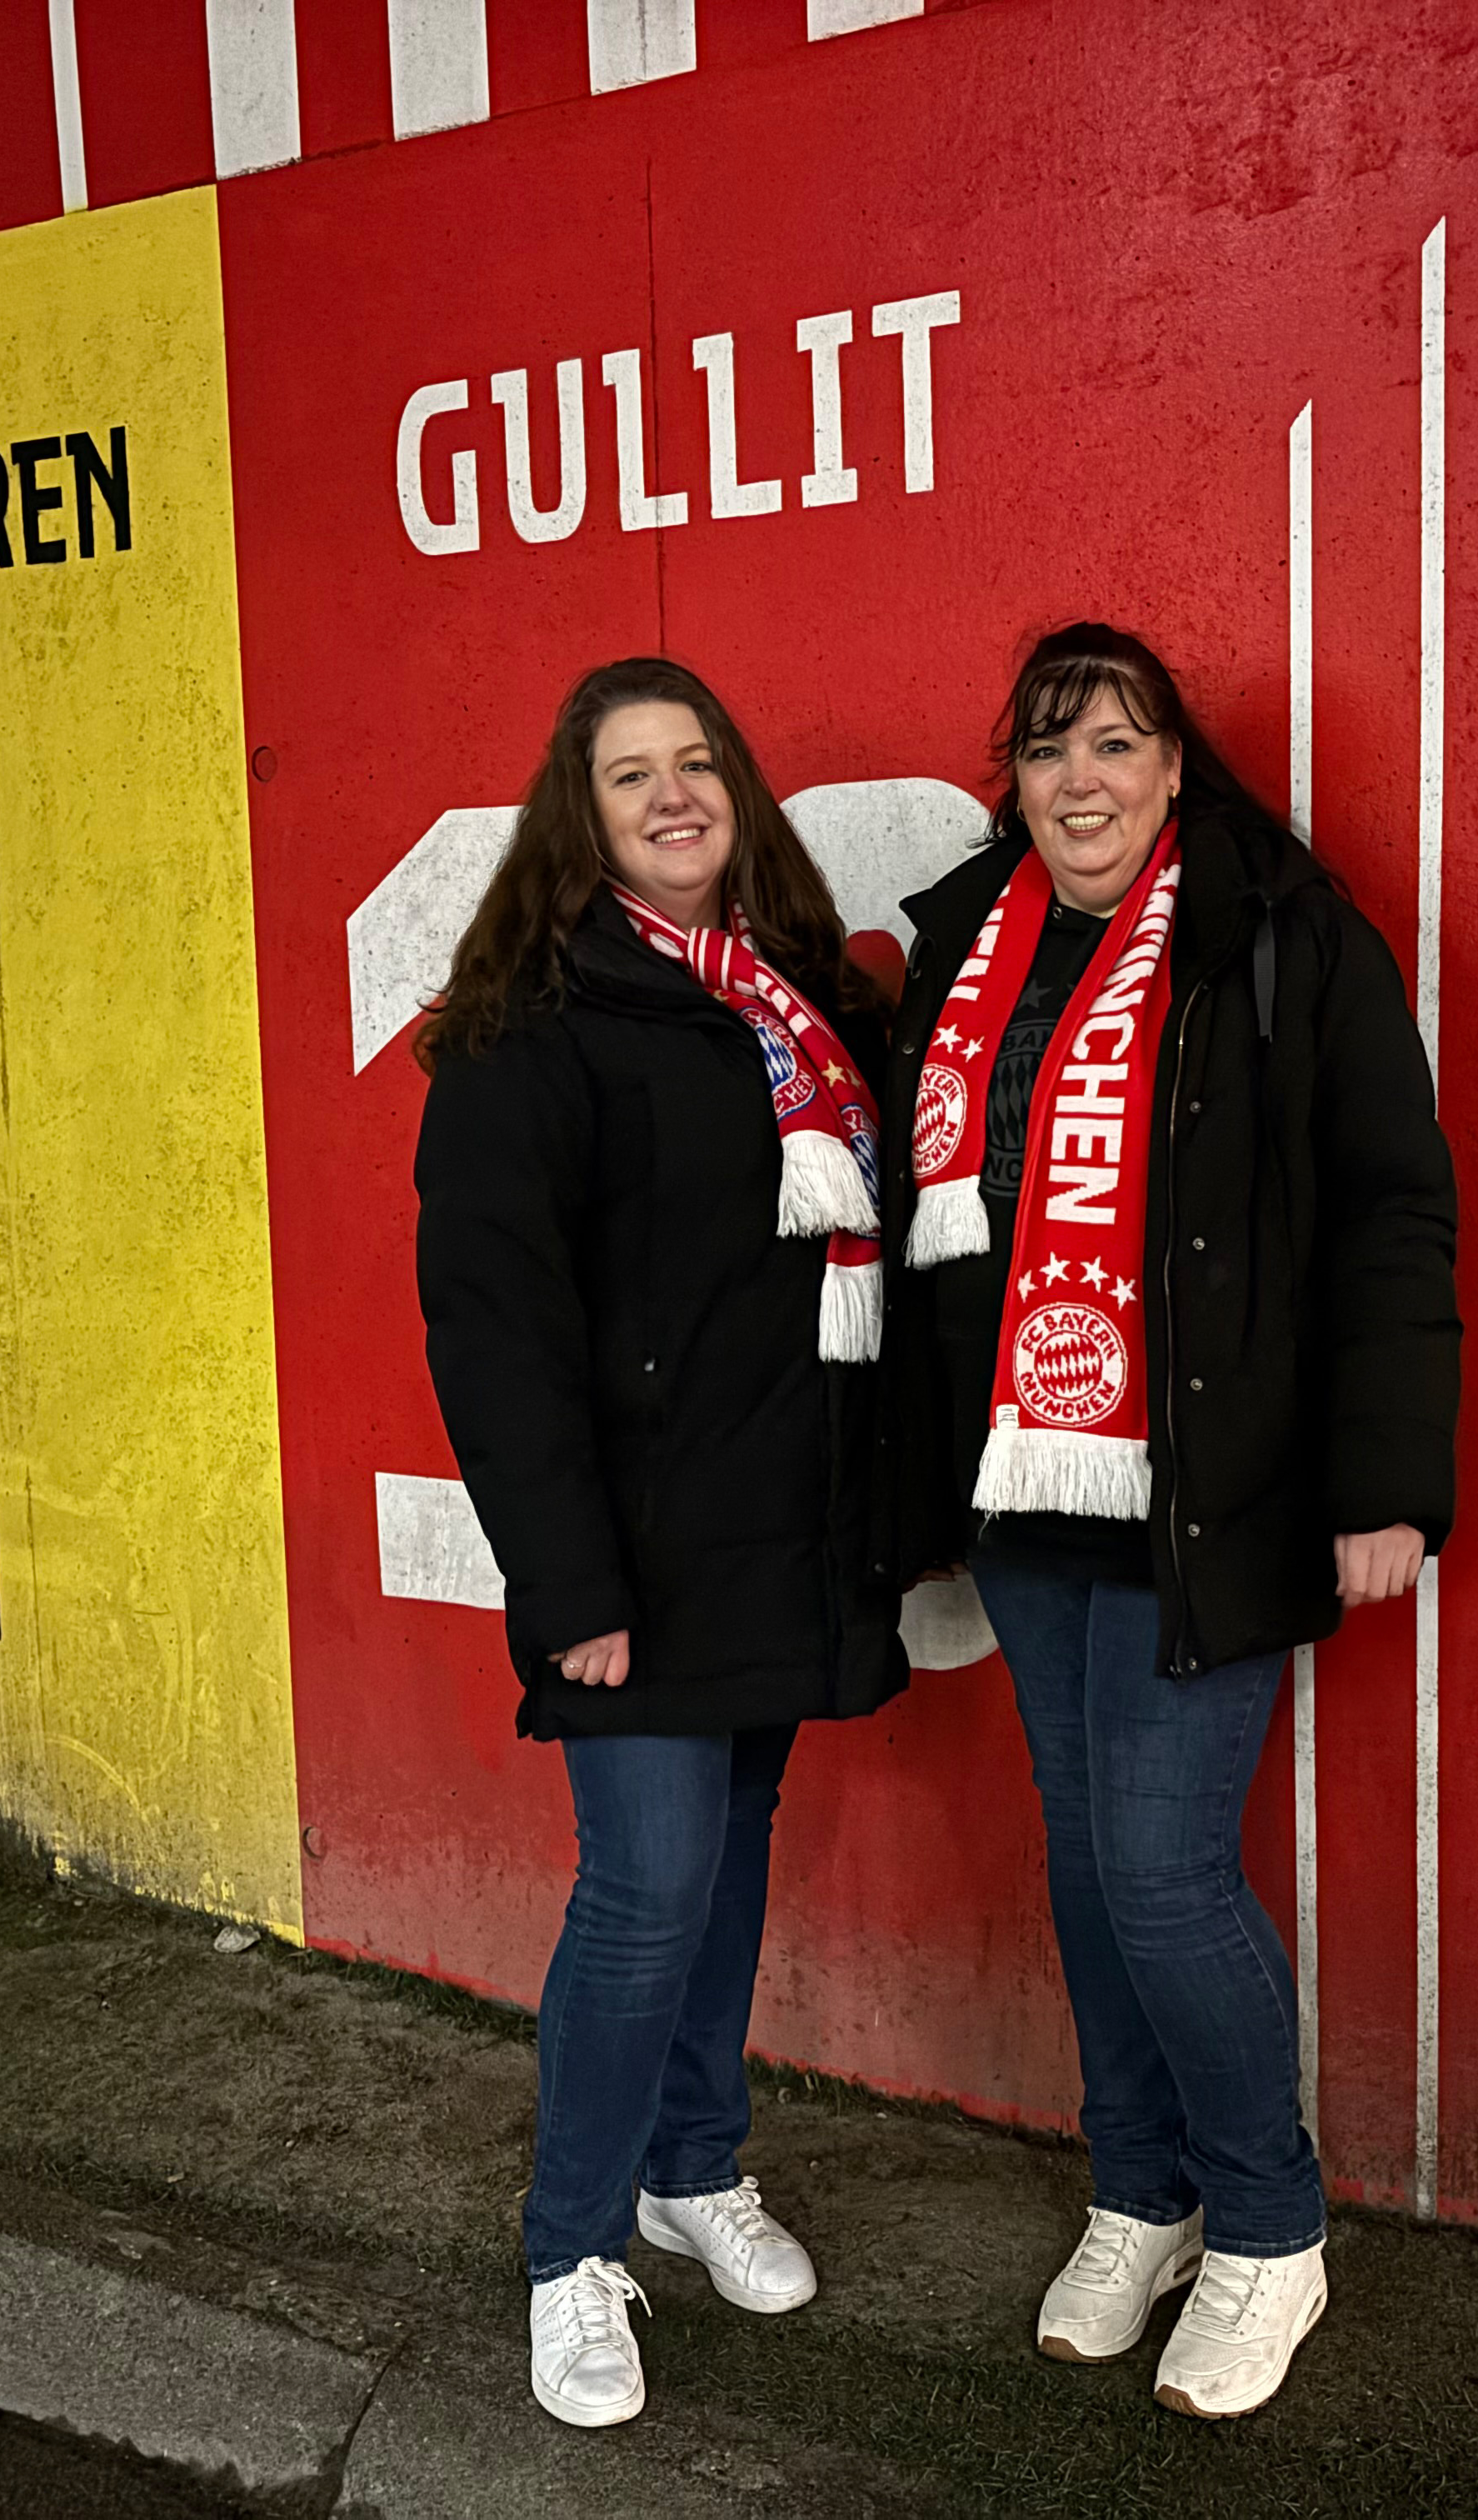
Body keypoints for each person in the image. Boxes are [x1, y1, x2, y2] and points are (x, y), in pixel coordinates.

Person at [881, 622, 1461, 2421]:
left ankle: (1272, 2226)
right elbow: (925, 1238)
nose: (1081, 781)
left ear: (1177, 769)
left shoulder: (1281, 932)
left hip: (1208, 1484)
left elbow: (1389, 1211)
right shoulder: (965, 948)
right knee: (1082, 1852)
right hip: (1025, 1484)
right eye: (1050, 749)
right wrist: (917, 1484)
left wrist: (1385, 1483)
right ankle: (1138, 2189)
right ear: (1018, 777)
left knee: (1158, 1864)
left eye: (1118, 744)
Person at [413, 658, 909, 2431]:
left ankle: (691, 2168)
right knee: (642, 1894)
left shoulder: (804, 999)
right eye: (633, 777)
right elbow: (490, 1327)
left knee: (729, 1866)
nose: (674, 795)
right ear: (585, 815)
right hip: (632, 1560)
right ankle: (569, 2252)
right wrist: (572, 1594)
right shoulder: (529, 1020)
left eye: (698, 761)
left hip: (778, 1533)